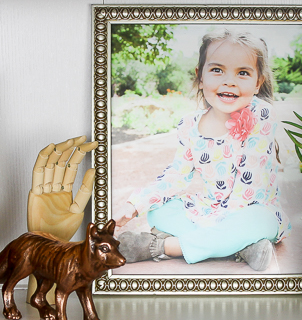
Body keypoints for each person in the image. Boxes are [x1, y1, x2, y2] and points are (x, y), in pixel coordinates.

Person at [115, 29, 290, 271]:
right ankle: (239, 247)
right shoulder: (189, 125)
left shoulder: (260, 115)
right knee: (157, 212)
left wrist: (218, 223)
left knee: (258, 223)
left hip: (253, 210)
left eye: (242, 73)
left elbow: (249, 188)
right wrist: (135, 204)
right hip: (211, 209)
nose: (229, 81)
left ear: (258, 82)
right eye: (217, 70)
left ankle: (161, 246)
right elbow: (177, 175)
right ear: (200, 76)